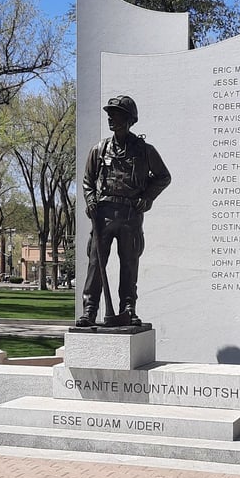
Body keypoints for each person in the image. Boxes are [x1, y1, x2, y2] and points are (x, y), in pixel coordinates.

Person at [77, 94, 171, 327]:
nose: (111, 119)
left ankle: (128, 308)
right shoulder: (99, 150)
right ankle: (89, 310)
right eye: (110, 115)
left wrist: (146, 197)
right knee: (96, 264)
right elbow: (88, 181)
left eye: (117, 115)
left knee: (129, 264)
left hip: (130, 215)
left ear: (129, 120)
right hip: (103, 216)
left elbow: (163, 177)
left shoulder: (145, 151)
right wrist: (91, 200)